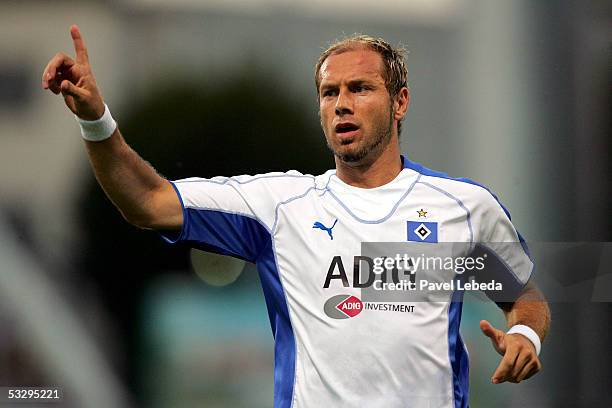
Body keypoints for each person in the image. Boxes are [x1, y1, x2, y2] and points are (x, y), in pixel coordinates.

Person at [42, 25, 551, 408]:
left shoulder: (463, 208)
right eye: (330, 93)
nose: (342, 105)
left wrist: (525, 336)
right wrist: (95, 119)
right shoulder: (280, 206)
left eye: (360, 89)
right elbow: (148, 202)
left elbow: (524, 298)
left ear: (401, 102)